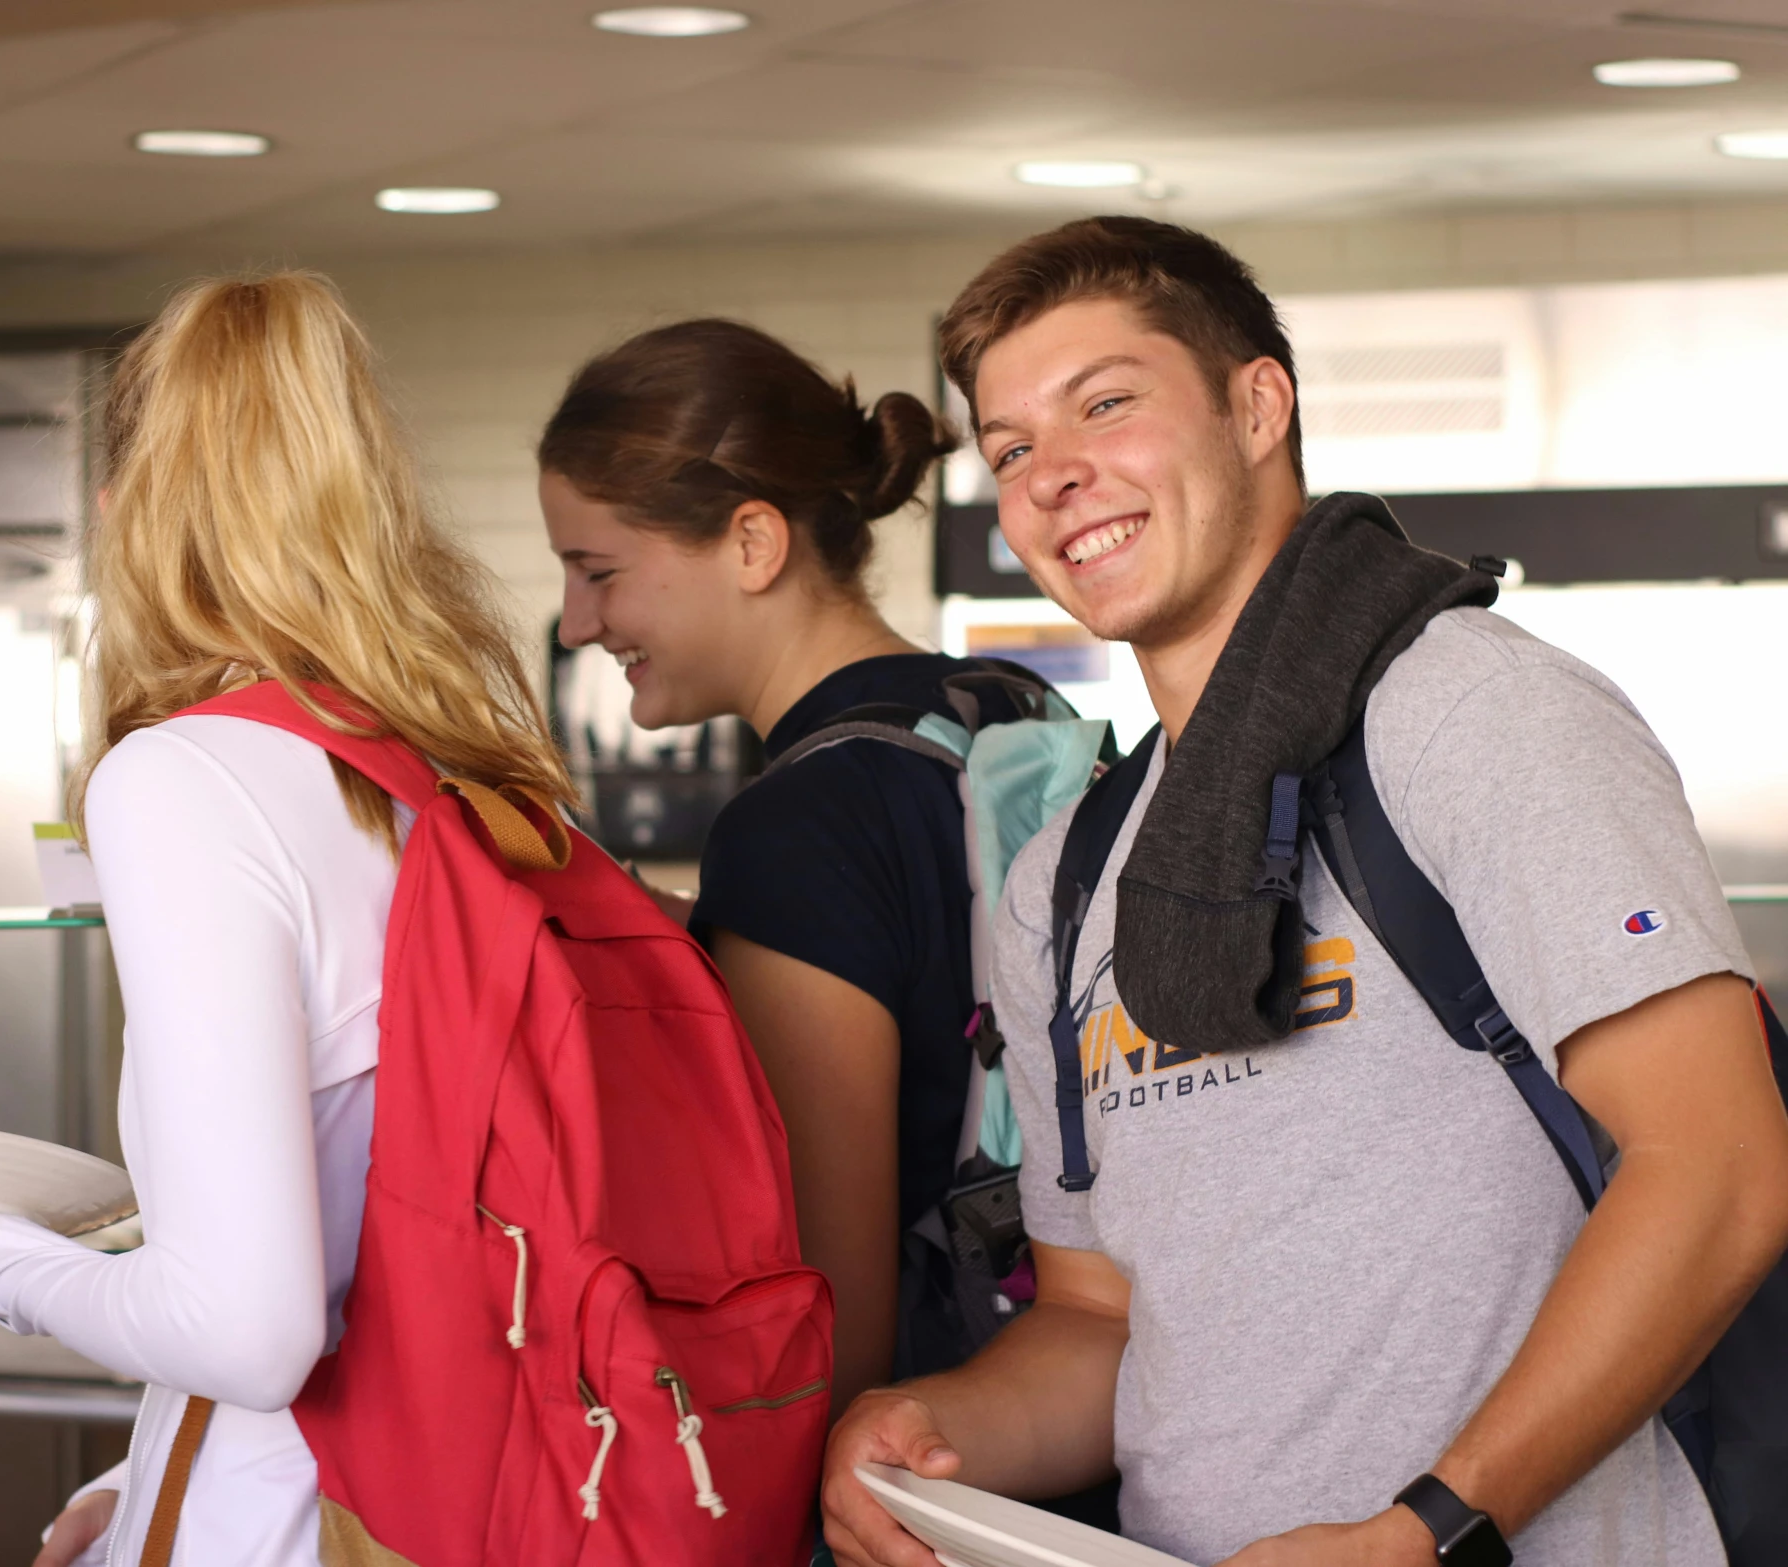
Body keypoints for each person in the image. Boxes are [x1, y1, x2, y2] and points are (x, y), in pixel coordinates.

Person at [820, 216, 1788, 1567]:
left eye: (1105, 403)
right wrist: (929, 1428)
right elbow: (1101, 1318)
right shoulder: (1066, 876)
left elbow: (1719, 1166)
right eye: (1011, 448)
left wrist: (1426, 1524)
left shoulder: (1472, 713)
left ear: (1256, 402)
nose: (1053, 478)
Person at [0, 271, 575, 1567]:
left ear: (128, 514)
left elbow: (252, 1330)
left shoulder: (187, 779)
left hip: (307, 1523)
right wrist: (155, 1458)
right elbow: (382, 1260)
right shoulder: (465, 774)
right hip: (471, 1489)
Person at [539, 318, 1027, 1419]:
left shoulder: (796, 823)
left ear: (755, 543)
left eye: (599, 571)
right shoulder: (1005, 710)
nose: (577, 624)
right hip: (1076, 1400)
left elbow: (820, 1317)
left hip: (917, 1457)